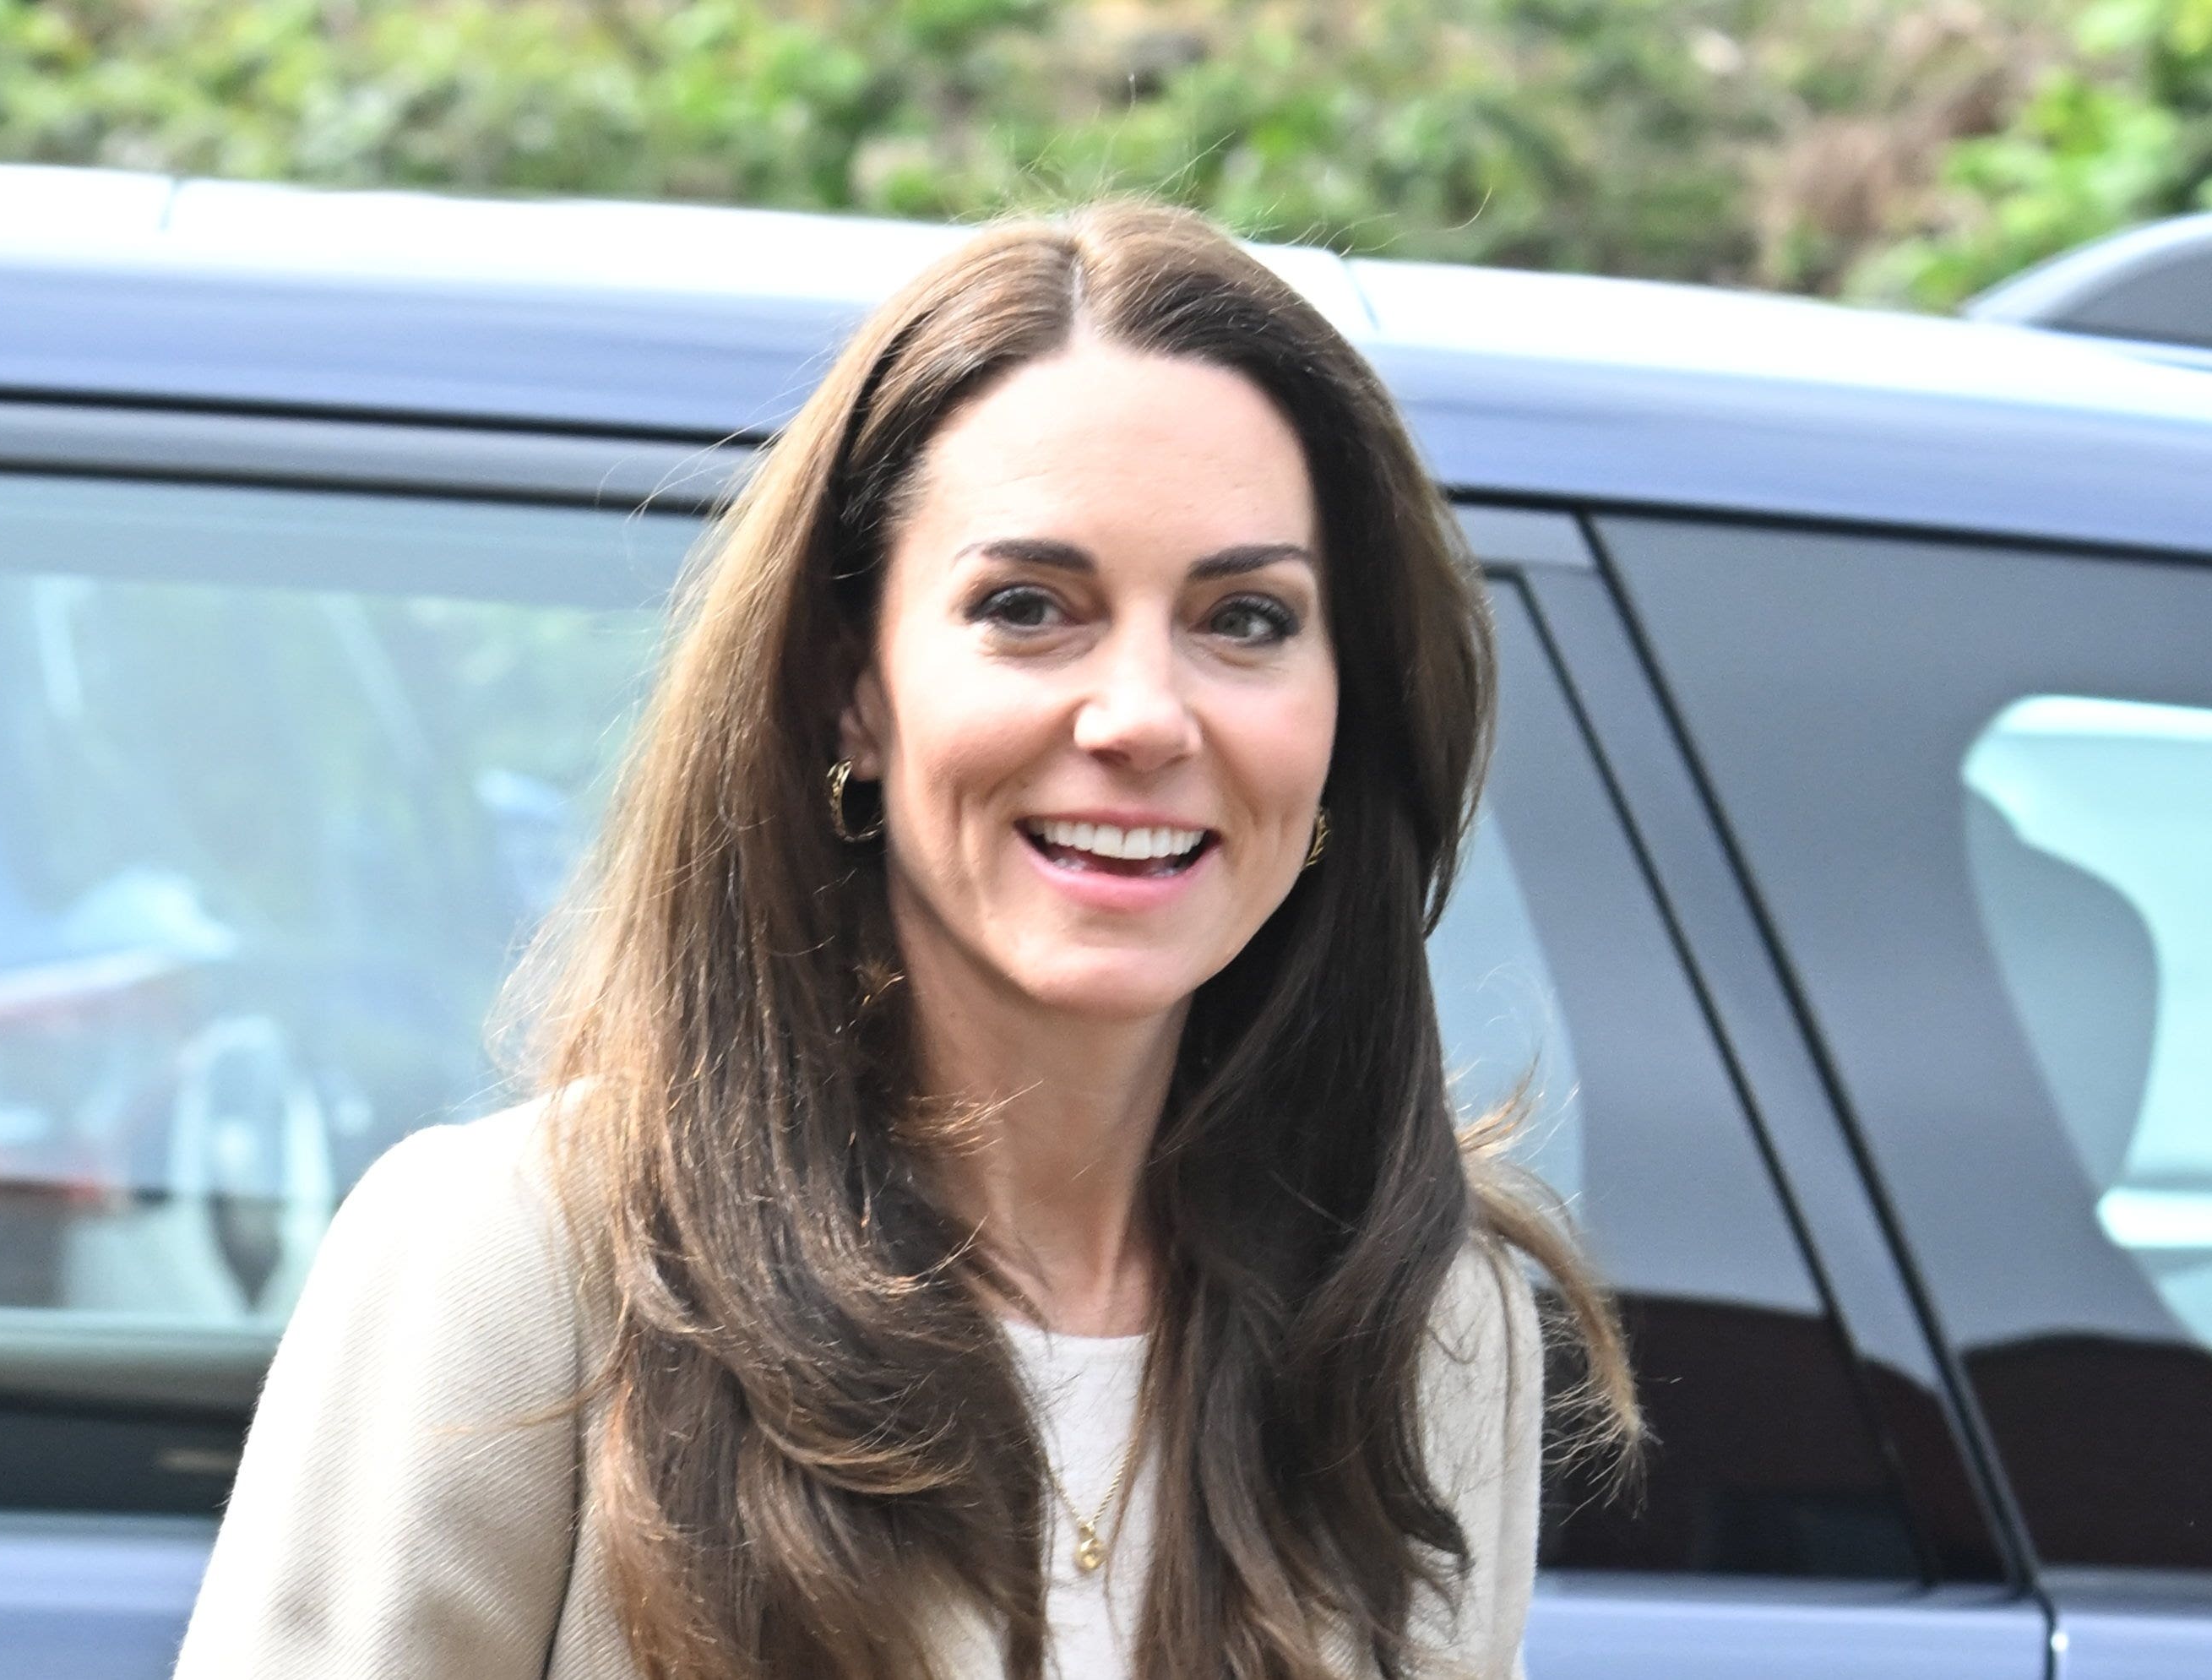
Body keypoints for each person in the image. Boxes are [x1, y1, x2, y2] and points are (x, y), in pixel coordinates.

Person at [173, 200, 1637, 1680]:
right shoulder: (518, 1268)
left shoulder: (1424, 1325)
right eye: (1027, 607)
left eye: (1247, 618)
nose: (1141, 714)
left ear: (1344, 713)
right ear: (847, 689)